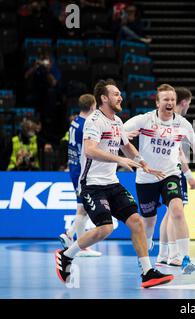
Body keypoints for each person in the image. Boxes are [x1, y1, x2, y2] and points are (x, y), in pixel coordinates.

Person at [55, 79, 174, 288]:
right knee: (105, 228)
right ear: (104, 98)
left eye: (120, 94)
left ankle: (147, 273)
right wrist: (119, 160)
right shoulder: (94, 121)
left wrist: (143, 163)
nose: (121, 97)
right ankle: (67, 255)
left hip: (112, 182)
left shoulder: (117, 121)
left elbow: (126, 147)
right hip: (92, 184)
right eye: (116, 94)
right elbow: (90, 149)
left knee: (136, 221)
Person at [123, 84, 195, 274]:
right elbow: (118, 132)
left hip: (170, 174)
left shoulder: (182, 123)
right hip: (146, 177)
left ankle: (184, 256)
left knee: (177, 211)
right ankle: (145, 253)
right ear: (157, 103)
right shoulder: (145, 120)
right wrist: (124, 136)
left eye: (172, 99)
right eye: (166, 99)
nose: (170, 102)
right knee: (149, 222)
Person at [58, 94, 102, 257]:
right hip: (81, 171)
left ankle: (73, 238)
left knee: (83, 207)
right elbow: (87, 150)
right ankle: (75, 240)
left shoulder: (75, 121)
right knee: (82, 208)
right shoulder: (85, 126)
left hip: (74, 167)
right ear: (92, 107)